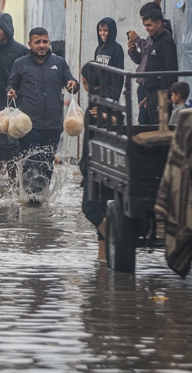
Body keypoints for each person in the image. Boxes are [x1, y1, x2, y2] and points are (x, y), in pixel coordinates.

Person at [7, 27, 78, 200]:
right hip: (29, 126)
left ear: (49, 42)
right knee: (32, 162)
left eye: (45, 41)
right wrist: (10, 91)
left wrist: (72, 84)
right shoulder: (21, 63)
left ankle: (40, 197)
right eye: (37, 42)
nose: (42, 45)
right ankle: (31, 198)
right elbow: (11, 84)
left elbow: (71, 81)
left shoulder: (59, 63)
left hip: (53, 125)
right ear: (30, 44)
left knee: (46, 165)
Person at [0, 12, 29, 183]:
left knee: (18, 141)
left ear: (7, 28)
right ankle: (12, 181)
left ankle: (21, 180)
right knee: (6, 144)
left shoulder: (21, 51)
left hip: (19, 103)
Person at [78, 63, 107, 260]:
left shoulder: (98, 104)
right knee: (101, 208)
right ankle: (102, 257)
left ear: (85, 81)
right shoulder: (103, 99)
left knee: (90, 207)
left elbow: (115, 120)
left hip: (96, 165)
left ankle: (114, 235)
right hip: (102, 164)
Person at [126, 2, 173, 124]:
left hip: (160, 93)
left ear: (158, 22)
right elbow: (143, 60)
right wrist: (133, 50)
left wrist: (168, 95)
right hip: (149, 90)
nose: (146, 27)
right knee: (146, 124)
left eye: (148, 24)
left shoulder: (164, 38)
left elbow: (171, 70)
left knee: (160, 127)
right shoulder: (153, 37)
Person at [93, 17, 125, 100]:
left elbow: (119, 75)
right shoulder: (98, 49)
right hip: (98, 93)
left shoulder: (117, 49)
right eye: (100, 30)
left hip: (110, 94)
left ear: (111, 32)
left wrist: (115, 96)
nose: (102, 33)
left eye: (105, 30)